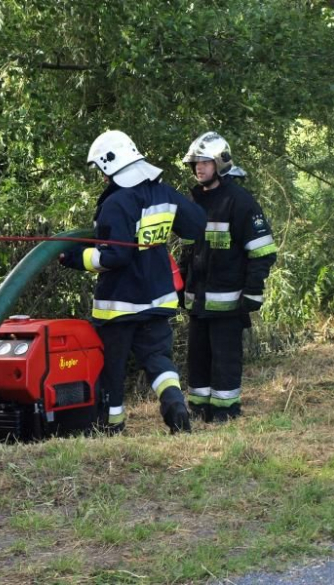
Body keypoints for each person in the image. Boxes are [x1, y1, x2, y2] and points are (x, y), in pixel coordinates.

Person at [59, 130, 206, 434]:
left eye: (100, 169)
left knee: (112, 367)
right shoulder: (163, 193)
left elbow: (114, 256)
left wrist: (74, 257)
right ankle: (174, 403)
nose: (101, 177)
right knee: (157, 357)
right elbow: (196, 225)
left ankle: (111, 425)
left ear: (109, 165)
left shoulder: (117, 202)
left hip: (119, 305)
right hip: (158, 298)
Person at [179, 131, 277, 422]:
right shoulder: (193, 202)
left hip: (229, 302)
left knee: (225, 359)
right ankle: (199, 409)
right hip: (198, 301)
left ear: (220, 163)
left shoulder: (240, 202)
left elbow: (262, 251)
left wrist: (252, 291)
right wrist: (180, 286)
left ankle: (225, 412)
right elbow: (187, 251)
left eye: (205, 162)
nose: (198, 168)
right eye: (195, 163)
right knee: (198, 358)